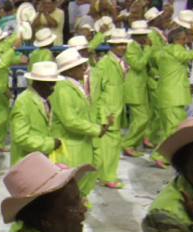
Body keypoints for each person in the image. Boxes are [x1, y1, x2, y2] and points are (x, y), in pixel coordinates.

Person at [51, 48, 109, 207]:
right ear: (69, 70)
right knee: (73, 178)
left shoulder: (76, 85)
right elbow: (70, 121)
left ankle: (80, 198)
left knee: (90, 171)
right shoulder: (62, 90)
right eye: (79, 66)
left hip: (83, 140)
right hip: (70, 145)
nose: (83, 69)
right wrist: (96, 130)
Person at [148, 23, 193, 169]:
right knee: (172, 128)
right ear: (176, 40)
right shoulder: (176, 51)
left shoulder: (163, 51)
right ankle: (159, 155)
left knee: (175, 127)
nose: (186, 40)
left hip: (170, 95)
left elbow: (153, 59)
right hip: (173, 95)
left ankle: (168, 155)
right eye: (184, 38)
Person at [91, 28, 130, 189]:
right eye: (119, 44)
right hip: (109, 111)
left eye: (124, 44)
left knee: (112, 145)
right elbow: (96, 91)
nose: (123, 47)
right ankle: (108, 176)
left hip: (116, 109)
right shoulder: (104, 64)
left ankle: (105, 175)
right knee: (110, 146)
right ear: (111, 45)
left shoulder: (120, 62)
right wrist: (104, 113)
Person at [10, 61, 63, 166]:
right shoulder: (23, 101)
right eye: (51, 85)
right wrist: (50, 144)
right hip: (27, 164)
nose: (53, 90)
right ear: (39, 83)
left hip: (43, 161)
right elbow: (20, 137)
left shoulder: (46, 99)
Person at [0, 26, 27, 153]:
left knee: (3, 117)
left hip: (1, 87)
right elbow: (1, 63)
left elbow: (6, 57)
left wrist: (16, 58)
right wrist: (4, 90)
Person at [121, 20, 153, 158]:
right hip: (134, 88)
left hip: (142, 88)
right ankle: (127, 143)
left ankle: (132, 145)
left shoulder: (139, 47)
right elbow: (139, 65)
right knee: (143, 118)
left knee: (141, 118)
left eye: (145, 34)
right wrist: (148, 49)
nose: (145, 37)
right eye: (142, 35)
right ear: (135, 36)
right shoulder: (130, 48)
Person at [144, 6, 166, 149]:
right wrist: (168, 56)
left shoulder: (158, 34)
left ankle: (149, 137)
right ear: (154, 20)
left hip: (158, 74)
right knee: (157, 110)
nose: (163, 19)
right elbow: (153, 55)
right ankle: (148, 136)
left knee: (156, 110)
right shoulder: (152, 34)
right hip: (155, 75)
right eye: (160, 17)